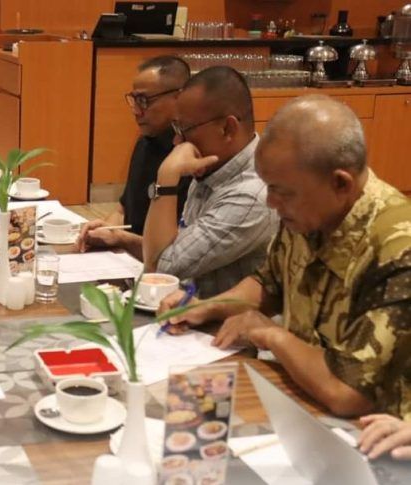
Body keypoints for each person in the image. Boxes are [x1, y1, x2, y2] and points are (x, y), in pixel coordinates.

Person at [160, 95, 411, 419]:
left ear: (340, 183)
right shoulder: (309, 210)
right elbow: (270, 282)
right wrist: (206, 307)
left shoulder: (398, 249)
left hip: (374, 431)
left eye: (282, 191)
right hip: (303, 400)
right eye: (269, 187)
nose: (270, 202)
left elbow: (349, 391)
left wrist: (271, 334)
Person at [142, 66, 277, 297]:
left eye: (185, 129)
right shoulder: (215, 164)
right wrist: (125, 241)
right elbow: (177, 248)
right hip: (190, 308)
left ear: (227, 128)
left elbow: (159, 271)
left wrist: (166, 176)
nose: (177, 141)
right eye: (176, 128)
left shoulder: (253, 195)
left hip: (223, 318)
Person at [78, 56, 191, 257]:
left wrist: (121, 238)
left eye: (144, 101)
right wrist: (106, 229)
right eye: (134, 100)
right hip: (129, 258)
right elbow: (123, 211)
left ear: (179, 97)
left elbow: (177, 253)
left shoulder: (193, 159)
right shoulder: (145, 143)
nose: (136, 111)